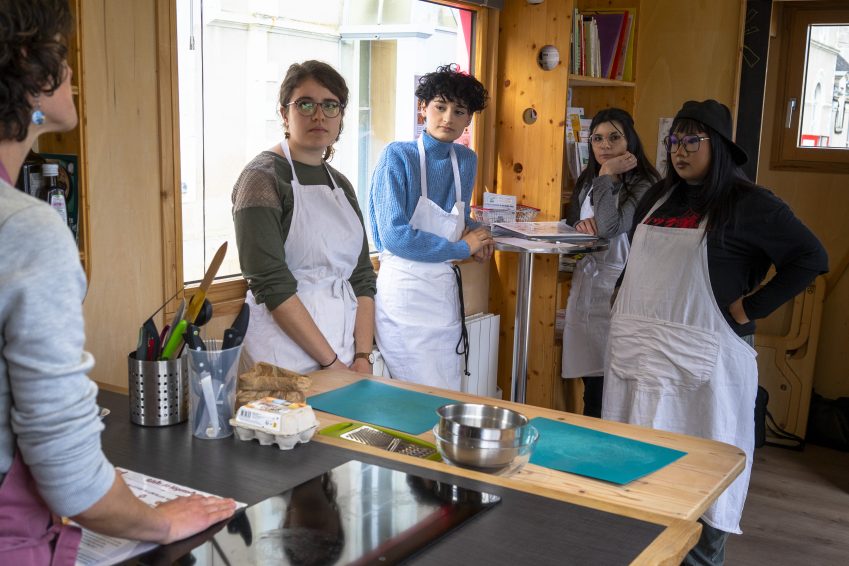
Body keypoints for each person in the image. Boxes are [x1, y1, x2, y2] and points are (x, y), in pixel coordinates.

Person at [0, 1, 235, 563]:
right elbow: (72, 477)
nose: (70, 71)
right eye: (61, 52)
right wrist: (159, 521)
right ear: (29, 68)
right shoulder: (27, 229)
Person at [602, 99, 828, 565]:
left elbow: (811, 257)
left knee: (700, 491)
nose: (679, 151)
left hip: (707, 371)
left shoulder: (750, 203)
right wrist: (622, 289)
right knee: (637, 486)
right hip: (639, 361)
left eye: (692, 140)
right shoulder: (658, 196)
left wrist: (750, 308)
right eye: (674, 140)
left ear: (719, 146)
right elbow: (638, 257)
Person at [232, 61, 376, 375]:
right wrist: (331, 363)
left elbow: (362, 276)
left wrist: (363, 355)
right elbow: (271, 282)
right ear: (284, 114)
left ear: (341, 116)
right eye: (306, 104)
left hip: (345, 353)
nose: (319, 115)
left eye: (330, 105)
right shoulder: (261, 179)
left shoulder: (341, 185)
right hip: (282, 358)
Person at [368, 64, 493, 390]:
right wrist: (462, 247)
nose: (448, 118)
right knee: (416, 396)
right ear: (423, 108)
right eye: (440, 107)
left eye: (459, 111)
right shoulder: (397, 156)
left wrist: (479, 235)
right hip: (404, 295)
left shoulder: (466, 160)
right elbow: (395, 236)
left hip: (443, 294)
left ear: (468, 119)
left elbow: (456, 216)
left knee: (446, 392)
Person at [560, 108, 660, 418]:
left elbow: (610, 227)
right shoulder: (587, 179)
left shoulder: (645, 183)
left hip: (621, 291)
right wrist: (579, 226)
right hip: (587, 287)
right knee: (591, 384)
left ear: (630, 141)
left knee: (614, 387)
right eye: (597, 139)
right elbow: (576, 222)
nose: (605, 145)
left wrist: (606, 174)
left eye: (614, 138)